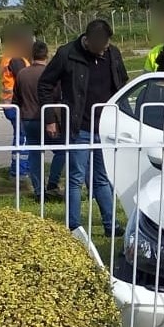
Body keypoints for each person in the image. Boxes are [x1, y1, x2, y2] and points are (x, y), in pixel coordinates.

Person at [37, 19, 128, 236]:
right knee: (76, 179)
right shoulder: (67, 53)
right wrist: (50, 117)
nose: (102, 52)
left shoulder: (113, 54)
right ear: (87, 40)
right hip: (79, 128)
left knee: (102, 179)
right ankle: (74, 227)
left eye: (105, 47)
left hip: (106, 129)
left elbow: (123, 84)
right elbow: (45, 85)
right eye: (99, 48)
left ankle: (111, 225)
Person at [14, 41, 65, 201]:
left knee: (35, 155)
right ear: (47, 55)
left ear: (31, 55)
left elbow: (17, 99)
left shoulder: (22, 74)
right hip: (48, 119)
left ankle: (38, 191)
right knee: (63, 151)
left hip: (28, 120)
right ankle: (53, 182)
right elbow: (58, 96)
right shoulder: (51, 73)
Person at [0, 25, 34, 179]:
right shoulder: (16, 58)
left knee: (19, 137)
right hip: (17, 104)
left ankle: (17, 169)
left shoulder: (10, 55)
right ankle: (20, 171)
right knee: (23, 138)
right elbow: (24, 78)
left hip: (11, 103)